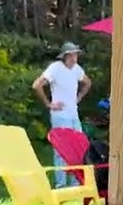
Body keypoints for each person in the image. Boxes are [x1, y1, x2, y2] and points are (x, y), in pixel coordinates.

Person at [32, 42, 91, 188]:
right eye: (71, 55)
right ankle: (61, 184)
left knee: (78, 147)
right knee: (61, 149)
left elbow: (88, 82)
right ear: (65, 56)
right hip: (60, 115)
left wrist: (78, 98)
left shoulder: (76, 69)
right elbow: (36, 85)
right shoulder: (55, 68)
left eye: (76, 54)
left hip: (73, 114)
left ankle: (77, 183)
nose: (74, 58)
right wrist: (48, 103)